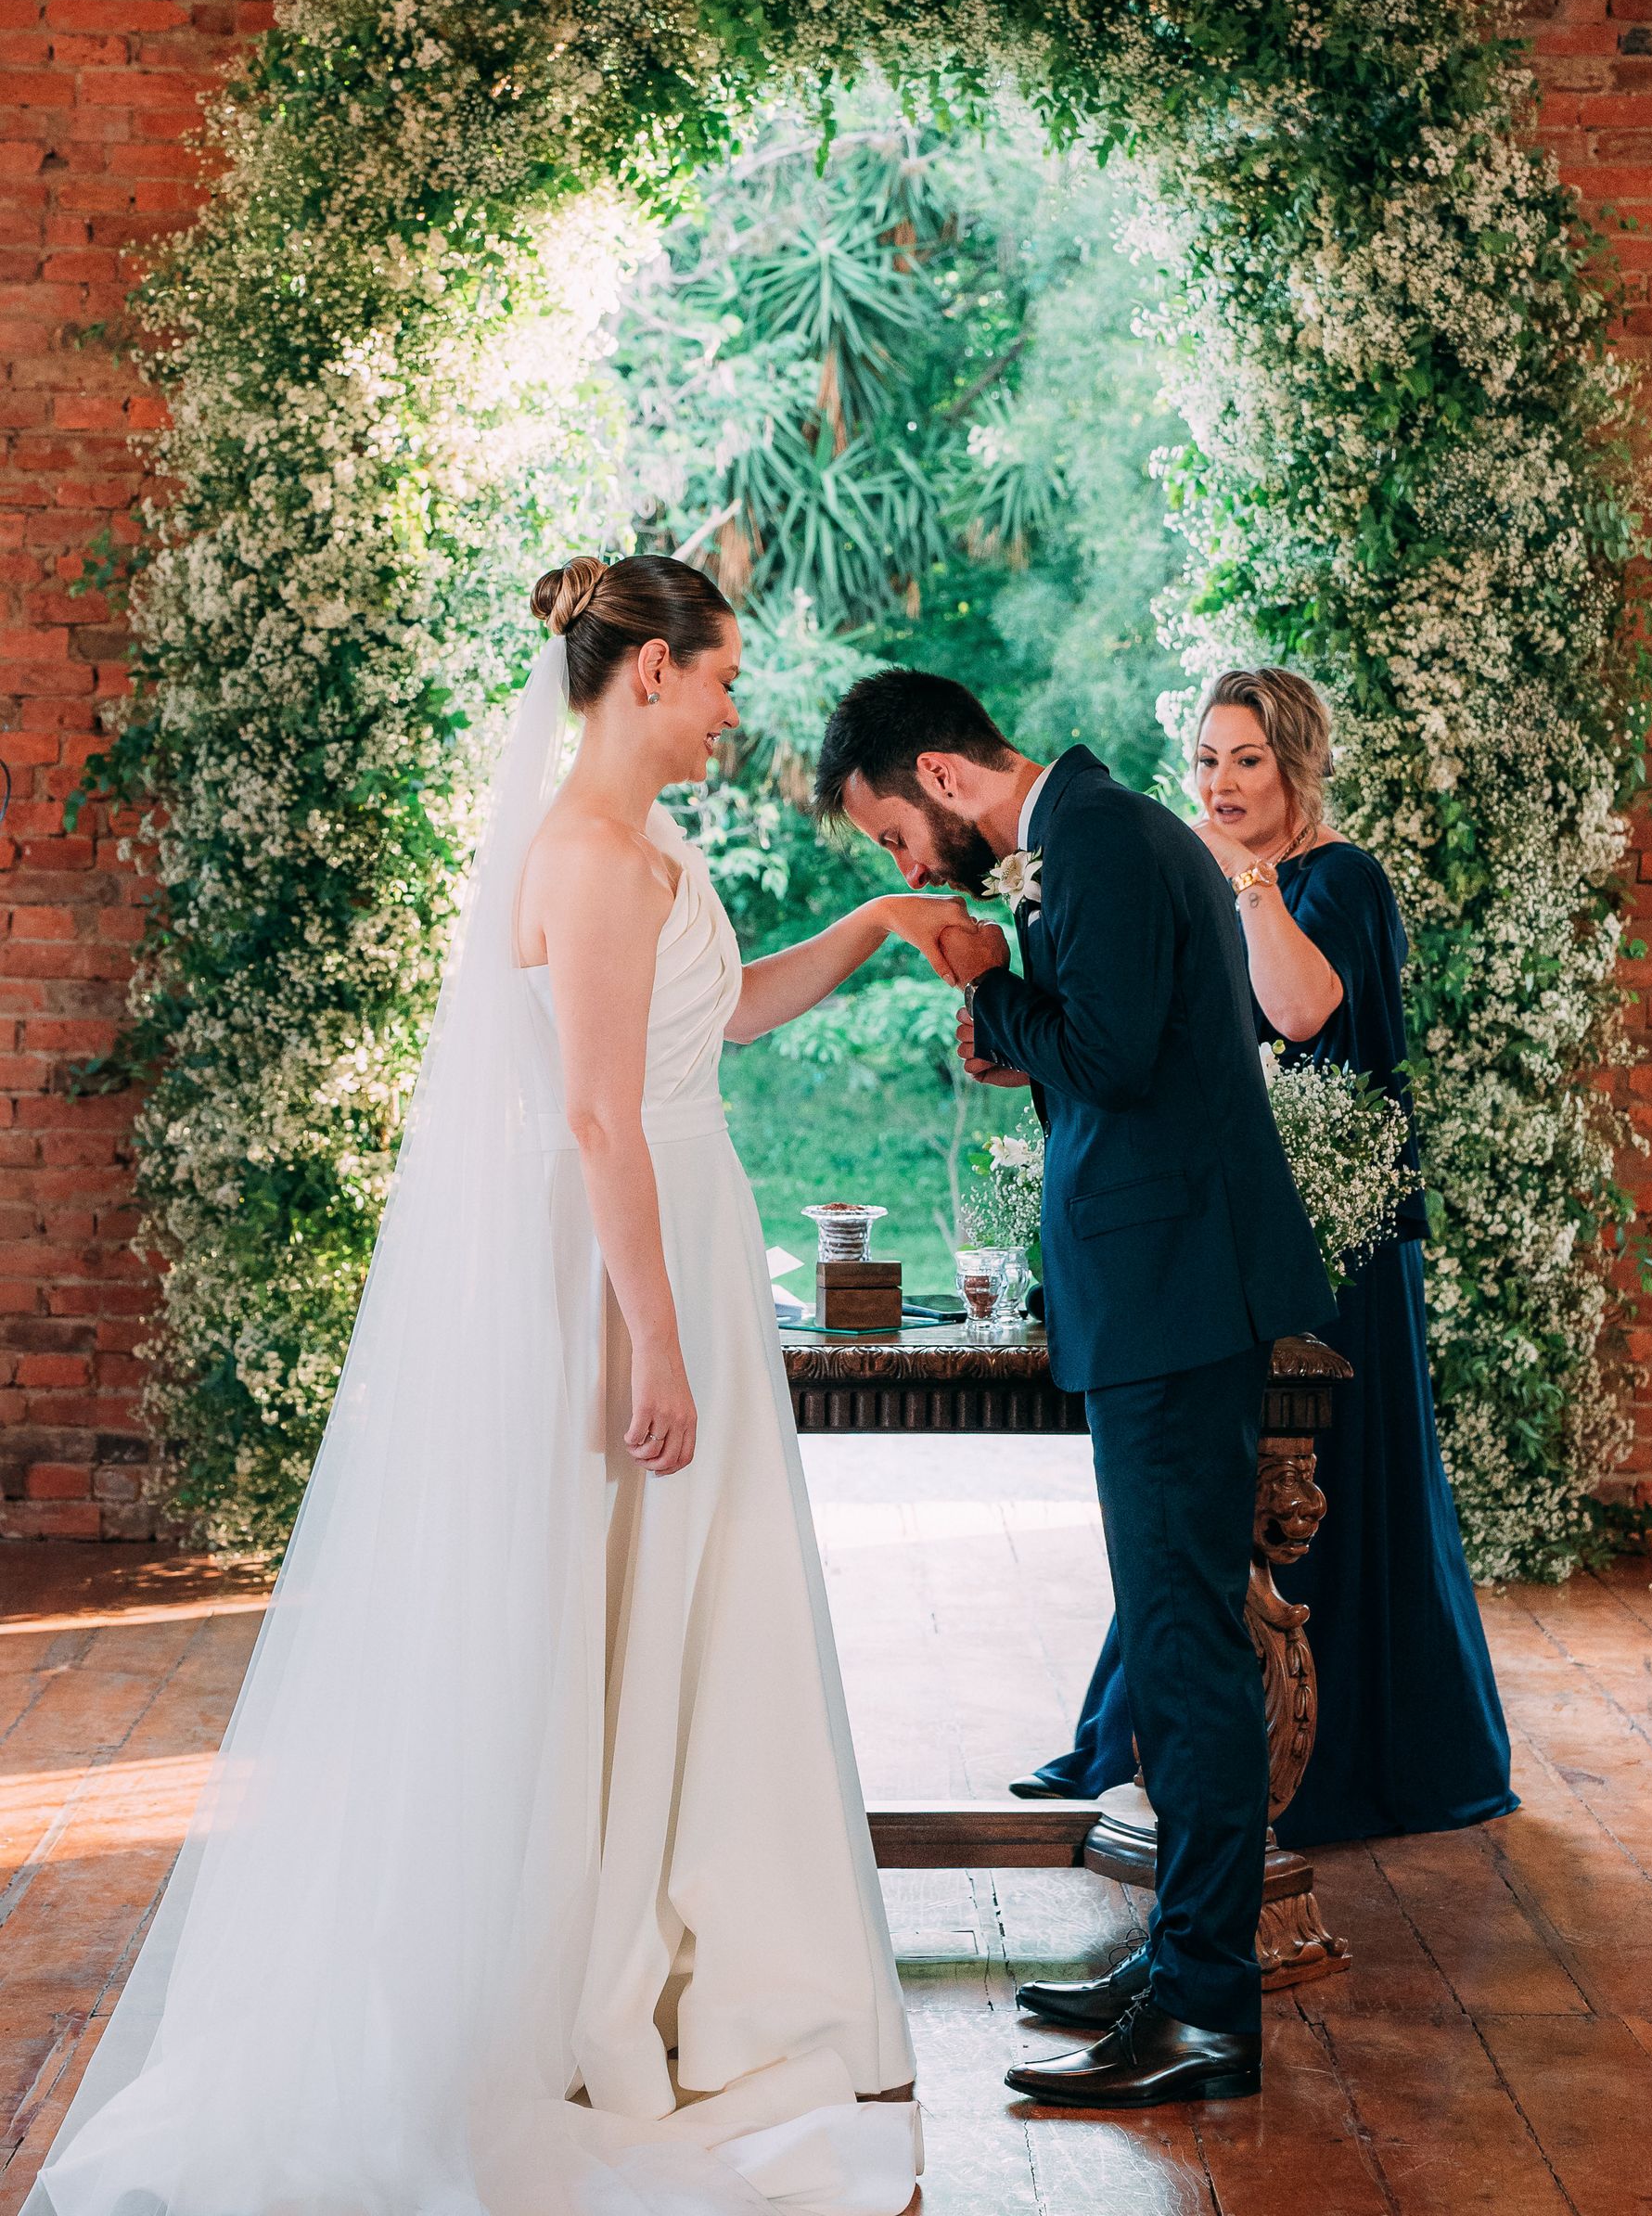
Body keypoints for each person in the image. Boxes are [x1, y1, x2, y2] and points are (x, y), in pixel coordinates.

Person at [30, 556, 990, 2216]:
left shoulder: (652, 847)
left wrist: (878, 921)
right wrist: (663, 1342)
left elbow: (720, 1027)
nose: (731, 706)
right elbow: (603, 1123)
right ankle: (583, 1975)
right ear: (647, 678)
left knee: (687, 1608)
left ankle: (680, 1949)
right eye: (717, 678)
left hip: (677, 1234)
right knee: (604, 1603)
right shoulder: (592, 861)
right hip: (632, 1269)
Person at [814, 670, 1337, 2112]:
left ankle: (1209, 2011)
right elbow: (1134, 1056)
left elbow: (1103, 1057)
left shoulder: (1101, 840)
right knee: (1176, 1654)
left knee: (1186, 1661)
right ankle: (1180, 1962)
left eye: (891, 839)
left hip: (1177, 1300)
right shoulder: (1098, 833)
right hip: (1168, 1290)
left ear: (938, 776)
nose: (906, 870)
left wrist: (991, 983)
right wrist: (1018, 1017)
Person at [1022, 666, 1517, 1852]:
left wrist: (1241, 880)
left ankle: (1345, 1752)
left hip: (1343, 1237)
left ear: (1295, 764)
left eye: (1246, 760)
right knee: (1213, 1488)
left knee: (1330, 1492)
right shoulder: (1188, 870)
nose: (1221, 782)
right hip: (1237, 1220)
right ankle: (1175, 1734)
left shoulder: (1338, 879)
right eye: (1205, 759)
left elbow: (1298, 1013)